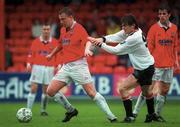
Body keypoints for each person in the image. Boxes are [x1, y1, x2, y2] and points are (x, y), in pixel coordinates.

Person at [46, 7, 117, 123]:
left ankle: (111, 117)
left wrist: (87, 50)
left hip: (79, 65)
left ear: (71, 18)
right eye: (60, 19)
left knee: (91, 93)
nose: (61, 22)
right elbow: (60, 44)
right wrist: (51, 55)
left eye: (63, 19)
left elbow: (88, 40)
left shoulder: (79, 28)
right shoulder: (63, 30)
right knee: (50, 91)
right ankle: (71, 111)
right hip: (66, 66)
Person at [88, 14, 158, 123]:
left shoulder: (134, 38)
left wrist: (99, 44)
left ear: (132, 25)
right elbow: (116, 36)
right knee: (147, 93)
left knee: (122, 89)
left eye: (125, 26)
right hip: (148, 66)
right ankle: (151, 115)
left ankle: (130, 117)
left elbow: (116, 50)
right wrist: (102, 39)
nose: (123, 28)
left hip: (143, 69)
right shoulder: (133, 31)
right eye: (122, 26)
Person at [133, 4, 179, 122]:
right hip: (155, 65)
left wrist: (176, 62)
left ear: (169, 15)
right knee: (147, 90)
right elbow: (148, 47)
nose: (161, 16)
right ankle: (134, 113)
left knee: (164, 90)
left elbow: (174, 47)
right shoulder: (153, 28)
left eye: (164, 14)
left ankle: (156, 114)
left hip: (169, 65)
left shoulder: (174, 28)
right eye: (160, 14)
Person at [27, 24, 77, 119]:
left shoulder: (54, 42)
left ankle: (43, 110)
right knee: (33, 88)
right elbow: (31, 53)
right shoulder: (36, 42)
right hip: (37, 67)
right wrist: (29, 63)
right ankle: (28, 110)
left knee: (46, 90)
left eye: (48, 29)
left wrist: (58, 64)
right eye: (44, 29)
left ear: (50, 31)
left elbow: (58, 55)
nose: (46, 31)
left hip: (49, 68)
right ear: (42, 30)